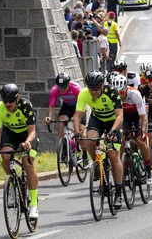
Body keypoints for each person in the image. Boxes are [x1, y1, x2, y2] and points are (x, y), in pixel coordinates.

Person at [0, 84, 41, 219]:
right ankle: (13, 186)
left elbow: (32, 131)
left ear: (17, 98)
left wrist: (27, 142)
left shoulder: (25, 105)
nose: (7, 104)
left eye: (10, 101)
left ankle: (33, 204)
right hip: (11, 133)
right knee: (6, 157)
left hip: (27, 134)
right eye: (5, 101)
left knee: (28, 163)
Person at [73, 71, 124, 210]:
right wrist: (77, 133)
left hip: (114, 122)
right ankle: (97, 162)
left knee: (113, 155)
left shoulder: (112, 92)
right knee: (90, 139)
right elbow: (77, 116)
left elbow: (120, 116)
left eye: (96, 88)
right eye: (91, 88)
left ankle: (119, 191)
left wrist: (113, 130)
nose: (93, 92)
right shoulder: (84, 93)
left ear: (102, 86)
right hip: (98, 120)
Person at [45, 73, 82, 154]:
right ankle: (65, 146)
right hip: (67, 106)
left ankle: (84, 154)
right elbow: (51, 106)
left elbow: (82, 105)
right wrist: (49, 117)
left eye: (64, 87)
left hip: (79, 106)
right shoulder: (55, 90)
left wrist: (77, 118)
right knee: (61, 122)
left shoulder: (75, 88)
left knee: (79, 129)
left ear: (68, 84)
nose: (62, 90)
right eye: (60, 87)